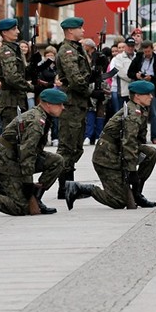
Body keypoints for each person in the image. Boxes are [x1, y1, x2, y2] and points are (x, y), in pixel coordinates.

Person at [0, 88, 66, 217]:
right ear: (48, 104)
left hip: (15, 159)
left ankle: (35, 199)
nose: (63, 107)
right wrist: (27, 185)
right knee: (20, 208)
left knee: (57, 161)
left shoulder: (42, 116)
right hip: (4, 163)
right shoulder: (36, 121)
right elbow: (27, 154)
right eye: (60, 104)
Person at [64, 80, 156, 210]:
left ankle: (136, 193)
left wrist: (131, 172)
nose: (151, 97)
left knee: (150, 153)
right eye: (147, 94)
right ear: (137, 96)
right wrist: (131, 170)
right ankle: (82, 188)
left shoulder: (139, 109)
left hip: (117, 153)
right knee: (118, 202)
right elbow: (129, 143)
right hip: (106, 159)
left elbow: (136, 142)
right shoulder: (133, 113)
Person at [54, 17, 93, 199]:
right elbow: (76, 79)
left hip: (79, 104)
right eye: (80, 28)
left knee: (77, 147)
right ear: (71, 31)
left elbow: (84, 75)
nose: (83, 31)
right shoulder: (67, 51)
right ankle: (64, 188)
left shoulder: (77, 49)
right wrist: (91, 90)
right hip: (71, 104)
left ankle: (69, 185)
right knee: (68, 146)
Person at [0, 18, 31, 127]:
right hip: (10, 103)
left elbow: (22, 72)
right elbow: (12, 78)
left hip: (18, 100)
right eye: (14, 29)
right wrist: (31, 87)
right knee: (12, 138)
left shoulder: (15, 49)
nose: (18, 31)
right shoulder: (7, 52)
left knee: (19, 136)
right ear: (5, 32)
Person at [127, 40, 156, 144]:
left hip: (153, 87)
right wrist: (136, 75)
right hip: (140, 87)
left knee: (155, 113)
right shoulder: (138, 59)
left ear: (152, 49)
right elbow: (130, 73)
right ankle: (140, 136)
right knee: (139, 112)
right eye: (145, 51)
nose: (147, 53)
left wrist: (151, 77)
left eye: (149, 51)